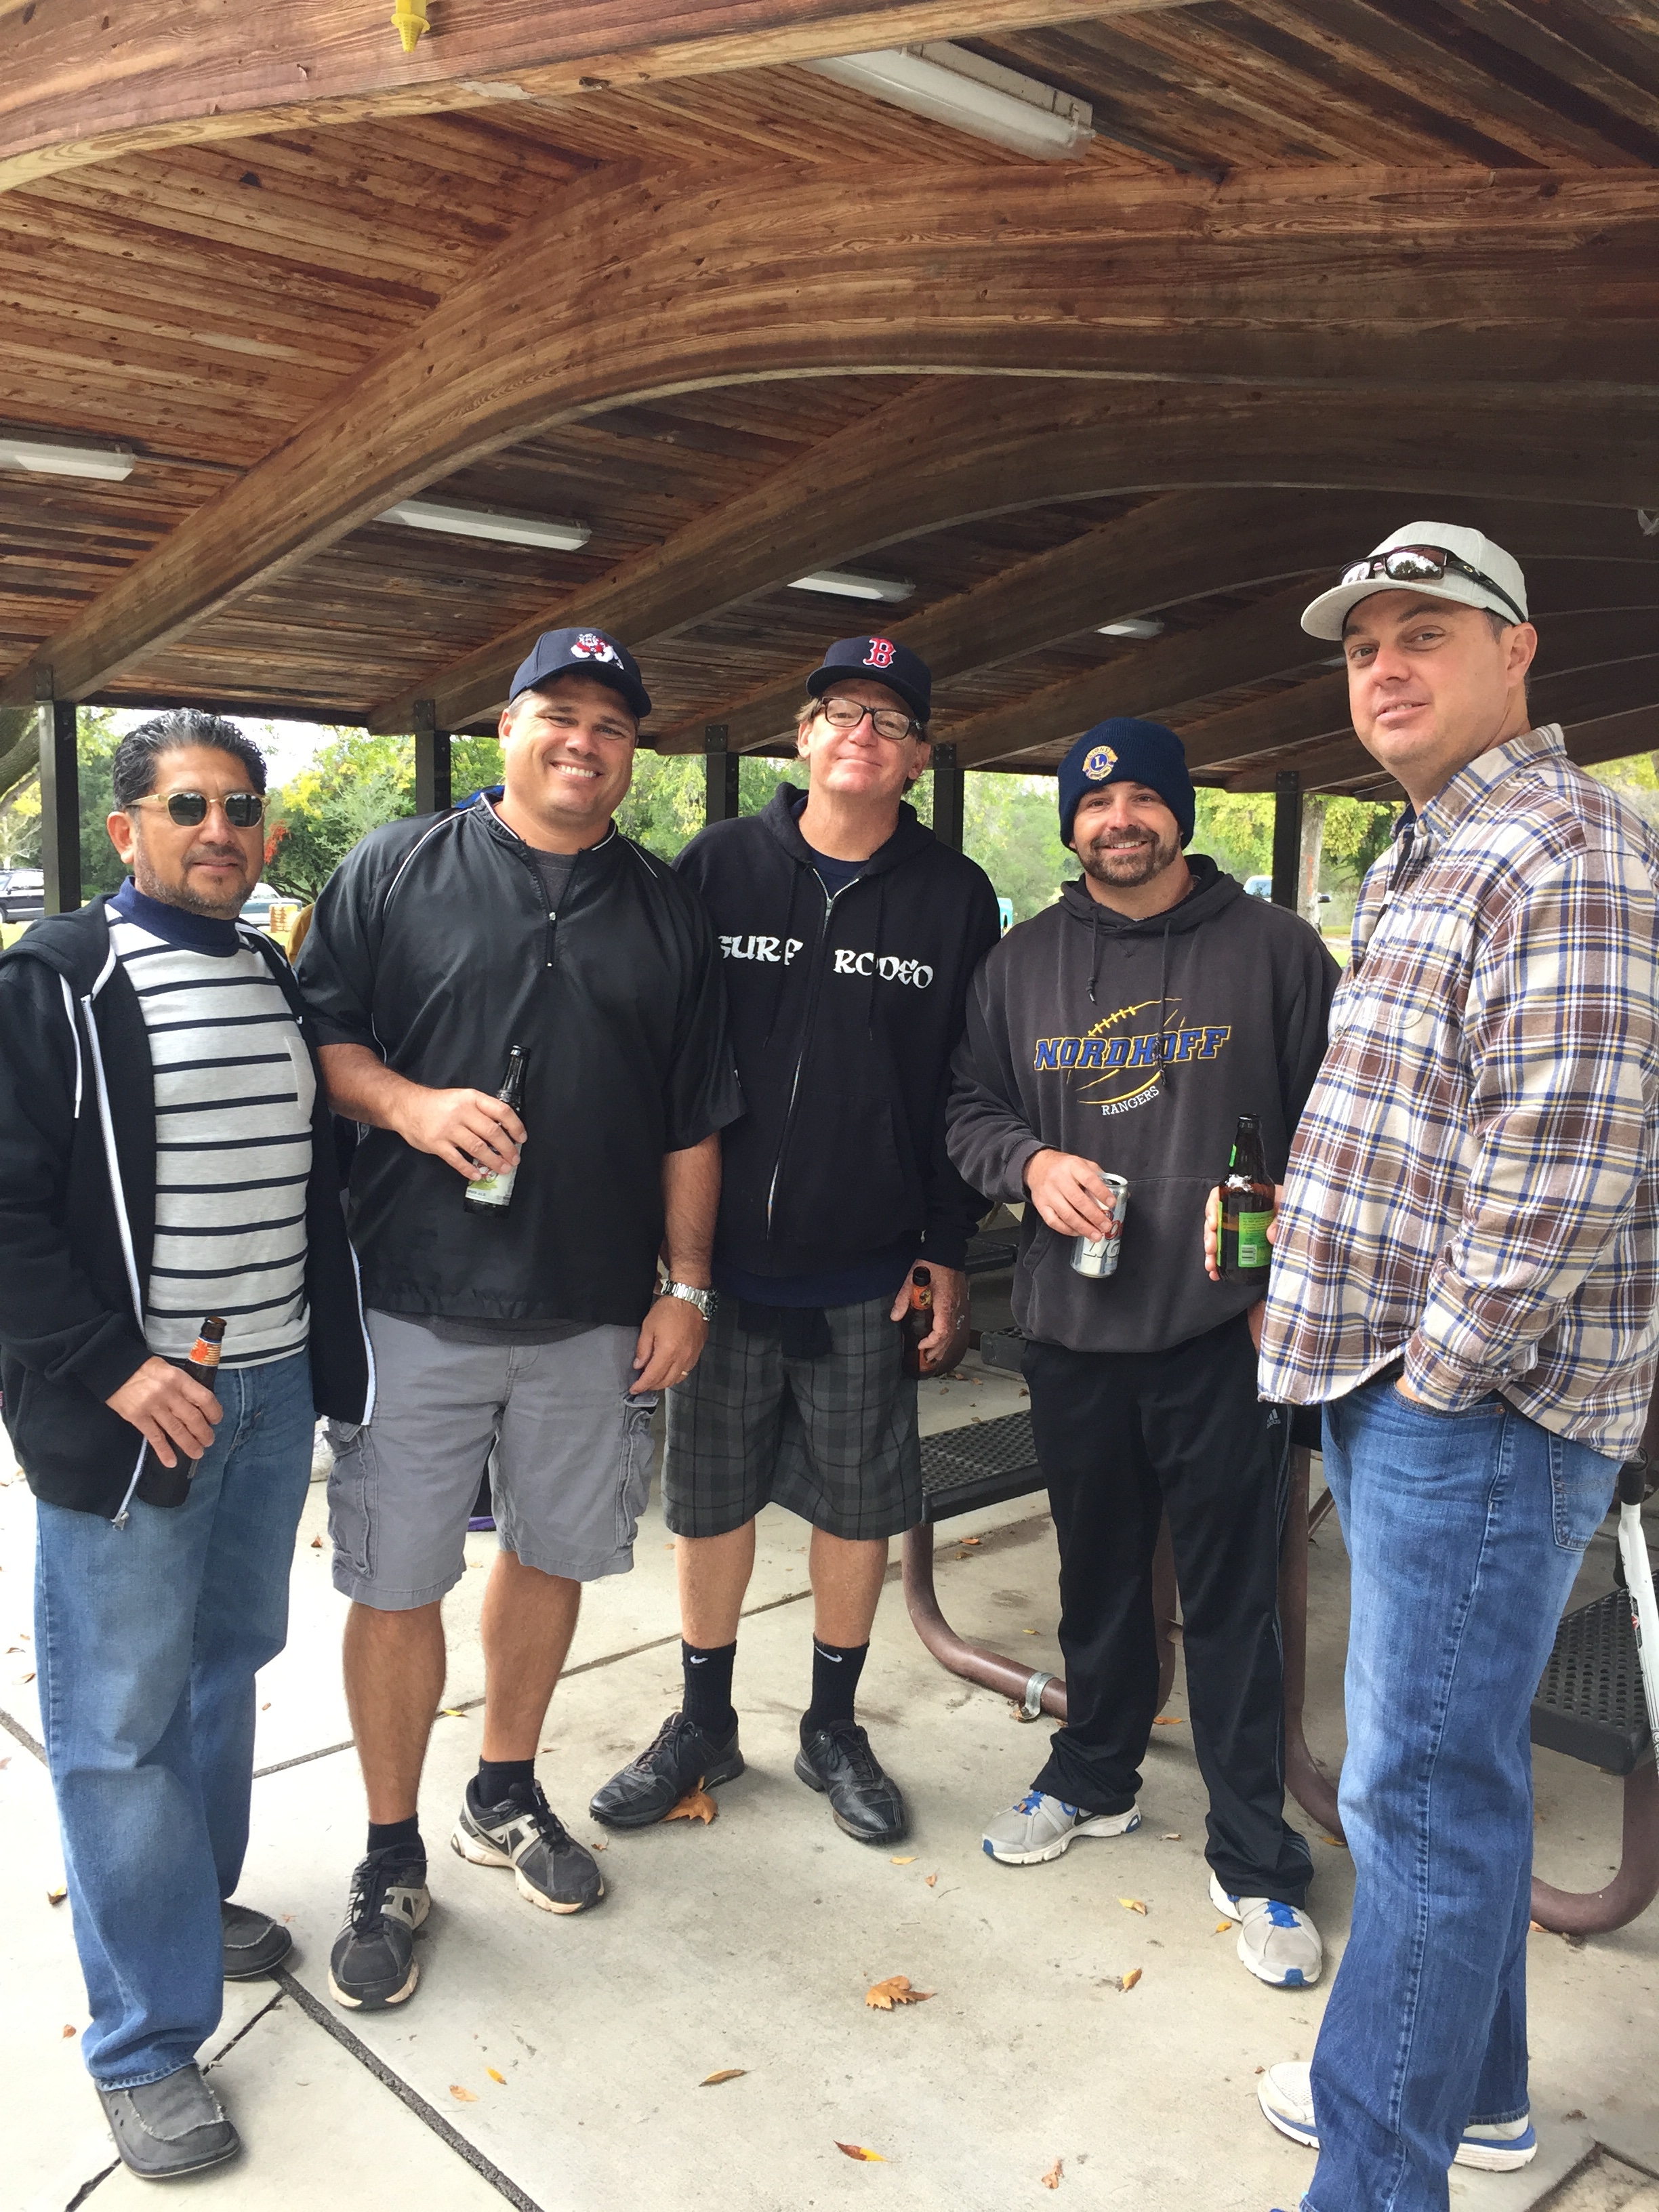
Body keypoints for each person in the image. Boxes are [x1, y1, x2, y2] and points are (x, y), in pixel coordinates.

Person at [1248, 525, 1659, 2207]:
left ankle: (1376, 2175)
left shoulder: (1567, 845)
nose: (1386, 667)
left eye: (1425, 631)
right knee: (1451, 1784)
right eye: (1364, 647)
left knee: (1415, 1800)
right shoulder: (1432, 848)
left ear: (1518, 651)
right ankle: (1479, 2097)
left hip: (1476, 1411)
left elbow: (1569, 1154)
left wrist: (1441, 1372)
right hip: (1399, 1387)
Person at [295, 627, 741, 2009]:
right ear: (508, 726)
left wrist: (686, 1287)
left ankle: (502, 1788)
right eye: (560, 713)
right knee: (396, 1576)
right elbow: (324, 1041)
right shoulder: (393, 867)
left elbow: (692, 1120)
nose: (583, 741)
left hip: (593, 1307)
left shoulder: (666, 909)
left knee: (551, 1552)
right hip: (411, 1295)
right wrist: (412, 1106)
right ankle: (389, 1849)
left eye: (612, 724)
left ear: (632, 753)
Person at [0, 712, 370, 2180]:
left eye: (242, 806)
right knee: (119, 1723)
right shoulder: (59, 981)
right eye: (190, 805)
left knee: (225, 1666)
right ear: (127, 830)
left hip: (267, 1394)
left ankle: (186, 1905)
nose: (222, 829)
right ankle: (146, 2043)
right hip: (138, 1413)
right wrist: (115, 1369)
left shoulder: (272, 974)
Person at [945, 718, 1338, 1984]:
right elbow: (968, 1107)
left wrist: (1293, 1283)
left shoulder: (1276, 951)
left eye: (1143, 801)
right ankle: (1094, 1773)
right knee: (1098, 1576)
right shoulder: (1019, 966)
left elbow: (1340, 1129)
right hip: (1072, 1332)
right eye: (1096, 806)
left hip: (1227, 1332)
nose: (1120, 822)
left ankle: (1254, 1853)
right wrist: (1029, 1165)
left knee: (1233, 1600)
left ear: (1181, 812)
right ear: (1073, 825)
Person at [591, 636, 1001, 1846]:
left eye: (890, 718)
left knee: (858, 1509)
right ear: (804, 735)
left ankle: (831, 1726)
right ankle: (703, 1721)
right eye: (841, 711)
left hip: (867, 1269)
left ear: (918, 756)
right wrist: (655, 1254)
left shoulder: (953, 895)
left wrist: (945, 1242)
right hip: (714, 1271)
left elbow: (963, 1083)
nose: (863, 732)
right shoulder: (718, 864)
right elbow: (656, 1056)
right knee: (709, 1504)